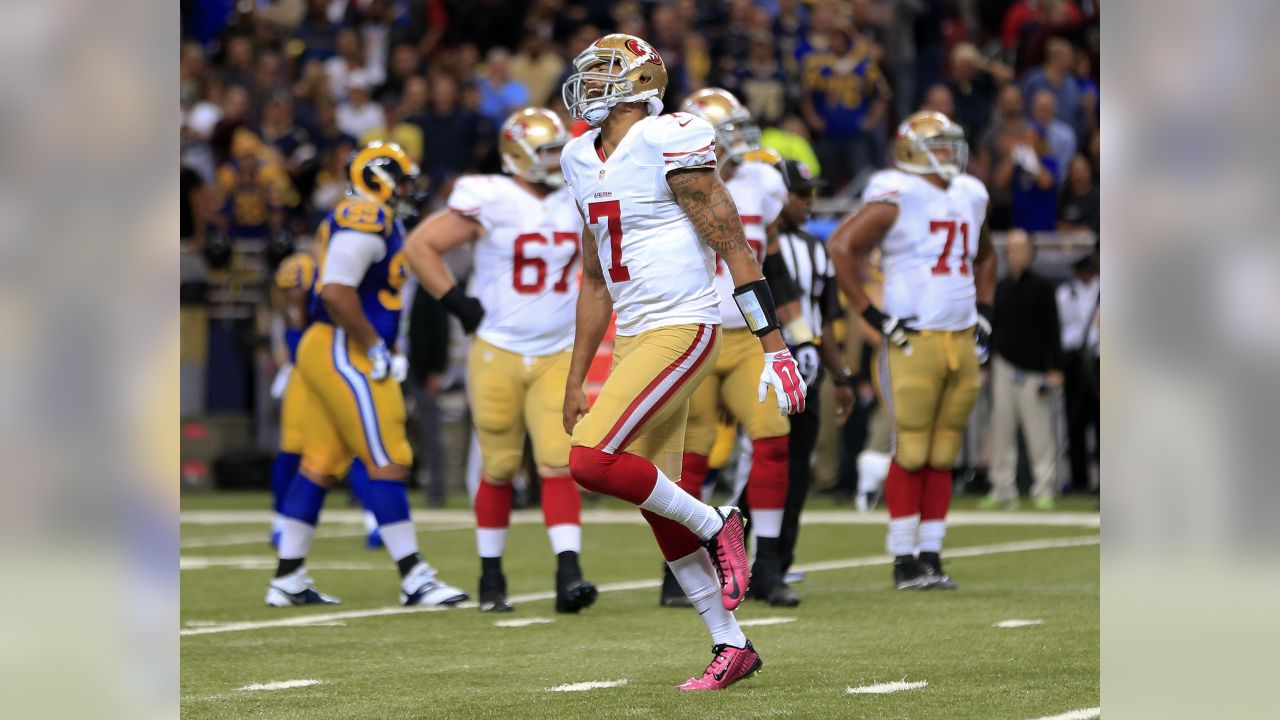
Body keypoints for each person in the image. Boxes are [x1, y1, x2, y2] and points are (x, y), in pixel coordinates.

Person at [558, 34, 805, 690]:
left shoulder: (669, 136)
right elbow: (592, 278)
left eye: (605, 70)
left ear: (638, 82)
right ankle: (732, 645)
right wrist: (576, 376)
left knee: (589, 461)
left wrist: (775, 345)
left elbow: (730, 239)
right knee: (655, 500)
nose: (589, 82)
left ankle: (718, 521)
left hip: (685, 324)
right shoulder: (578, 156)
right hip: (637, 333)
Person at [403, 108, 597, 614]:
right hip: (498, 349)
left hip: (557, 349)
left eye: (559, 149)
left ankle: (569, 570)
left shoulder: (575, 196)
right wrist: (457, 303)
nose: (557, 159)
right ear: (517, 155)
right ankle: (491, 575)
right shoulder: (489, 195)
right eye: (547, 151)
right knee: (499, 466)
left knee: (559, 462)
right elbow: (420, 247)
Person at [265, 141, 467, 608]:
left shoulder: (378, 218)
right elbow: (336, 291)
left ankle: (288, 576)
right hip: (342, 345)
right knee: (388, 453)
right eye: (404, 178)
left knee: (320, 461)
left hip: (331, 345)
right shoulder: (366, 216)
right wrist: (375, 347)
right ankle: (414, 576)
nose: (409, 189)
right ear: (379, 177)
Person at [828, 111, 996, 591]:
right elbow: (841, 247)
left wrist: (986, 311)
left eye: (951, 145)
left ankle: (932, 553)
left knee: (945, 452)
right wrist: (872, 315)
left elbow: (987, 255)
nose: (950, 154)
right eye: (939, 146)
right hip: (912, 338)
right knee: (914, 446)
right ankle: (904, 556)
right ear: (912, 151)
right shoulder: (895, 192)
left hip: (960, 335)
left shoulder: (971, 194)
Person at [666, 87, 812, 609]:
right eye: (727, 128)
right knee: (693, 454)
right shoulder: (670, 182)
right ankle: (682, 570)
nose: (739, 139)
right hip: (696, 328)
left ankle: (769, 563)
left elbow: (767, 259)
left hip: (750, 337)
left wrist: (797, 331)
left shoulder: (764, 182)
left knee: (774, 436)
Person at [773, 159, 855, 597]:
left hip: (805, 373)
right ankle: (734, 558)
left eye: (811, 193)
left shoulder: (814, 249)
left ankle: (779, 560)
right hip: (761, 371)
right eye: (798, 193)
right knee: (760, 464)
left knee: (797, 471)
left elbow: (824, 321)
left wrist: (840, 375)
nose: (808, 201)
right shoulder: (746, 242)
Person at [269, 249, 382, 551]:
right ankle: (281, 523)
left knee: (362, 451)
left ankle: (376, 522)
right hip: (312, 373)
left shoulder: (353, 273)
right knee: (295, 453)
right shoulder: (305, 275)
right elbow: (294, 336)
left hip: (343, 368)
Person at [982, 231, 1064, 510]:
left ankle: (1044, 486)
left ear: (1031, 253)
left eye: (1021, 249)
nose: (1015, 254)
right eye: (1012, 249)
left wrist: (1055, 368)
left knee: (1038, 431)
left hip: (1033, 368)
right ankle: (1002, 487)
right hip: (1003, 365)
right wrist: (985, 364)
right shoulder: (1001, 286)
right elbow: (992, 328)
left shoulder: (1042, 288)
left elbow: (1053, 330)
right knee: (1001, 428)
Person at [1055, 252, 1100, 494]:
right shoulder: (1064, 294)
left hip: (1100, 357)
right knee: (1075, 421)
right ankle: (1079, 479)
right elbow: (1061, 328)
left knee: (1104, 422)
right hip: (1074, 358)